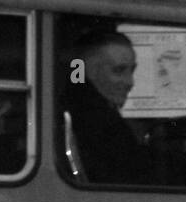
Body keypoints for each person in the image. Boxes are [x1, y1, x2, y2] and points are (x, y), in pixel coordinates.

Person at [62, 29, 152, 185]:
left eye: (132, 71)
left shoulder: (78, 110)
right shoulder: (99, 123)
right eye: (119, 71)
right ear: (91, 72)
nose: (130, 82)